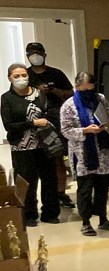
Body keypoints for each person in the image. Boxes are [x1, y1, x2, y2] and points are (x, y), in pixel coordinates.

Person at [59, 71, 109, 236]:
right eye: (84, 90)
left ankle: (103, 219)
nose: (88, 93)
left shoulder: (100, 98)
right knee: (85, 188)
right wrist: (85, 130)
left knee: (102, 187)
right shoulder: (69, 105)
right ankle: (86, 222)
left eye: (90, 89)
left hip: (102, 151)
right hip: (83, 154)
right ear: (77, 87)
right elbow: (65, 130)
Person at [1, 63, 60, 227]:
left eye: (23, 75)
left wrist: (47, 120)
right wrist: (32, 123)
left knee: (49, 178)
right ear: (9, 78)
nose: (21, 79)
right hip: (22, 146)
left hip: (44, 143)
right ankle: (28, 214)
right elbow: (9, 125)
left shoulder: (38, 93)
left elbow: (50, 112)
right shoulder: (7, 98)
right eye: (16, 76)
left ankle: (50, 212)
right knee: (27, 181)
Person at [25, 42, 75, 210]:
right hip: (32, 120)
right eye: (32, 53)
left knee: (57, 156)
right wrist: (36, 90)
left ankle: (60, 193)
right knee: (37, 160)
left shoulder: (56, 74)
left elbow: (71, 94)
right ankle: (35, 200)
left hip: (55, 118)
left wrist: (54, 91)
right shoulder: (25, 75)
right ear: (27, 56)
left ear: (44, 55)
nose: (36, 56)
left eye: (38, 53)